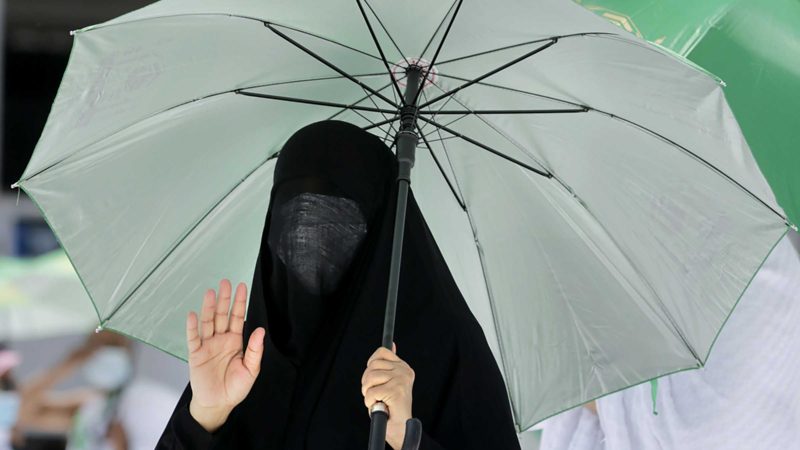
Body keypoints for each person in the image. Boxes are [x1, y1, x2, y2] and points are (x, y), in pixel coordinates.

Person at [156, 120, 521, 449]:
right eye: (297, 219)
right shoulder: (248, 356)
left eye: (337, 223)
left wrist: (406, 438)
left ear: (382, 228)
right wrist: (204, 416)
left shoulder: (447, 349)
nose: (311, 242)